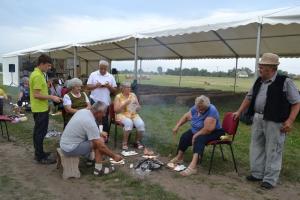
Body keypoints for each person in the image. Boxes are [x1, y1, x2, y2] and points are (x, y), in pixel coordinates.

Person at [233, 53, 300, 189]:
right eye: (260, 66)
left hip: (275, 121)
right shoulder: (259, 81)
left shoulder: (285, 82)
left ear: (271, 68)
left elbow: (296, 103)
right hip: (258, 118)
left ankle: (270, 179)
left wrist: (290, 120)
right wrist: (239, 111)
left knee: (273, 149)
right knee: (256, 146)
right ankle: (257, 173)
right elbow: (249, 97)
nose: (259, 69)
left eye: (261, 67)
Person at [60, 101, 123, 176]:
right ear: (99, 112)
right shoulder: (90, 122)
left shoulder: (83, 111)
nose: (104, 115)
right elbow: (101, 146)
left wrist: (99, 133)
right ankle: (98, 170)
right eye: (104, 113)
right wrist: (114, 156)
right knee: (99, 143)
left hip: (64, 143)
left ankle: (90, 160)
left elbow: (86, 129)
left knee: (97, 138)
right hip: (69, 149)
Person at [169, 95, 224, 176]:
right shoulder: (196, 107)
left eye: (202, 109)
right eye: (198, 108)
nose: (199, 110)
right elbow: (186, 117)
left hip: (214, 132)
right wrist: (177, 126)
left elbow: (208, 129)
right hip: (198, 130)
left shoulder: (212, 110)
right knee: (185, 136)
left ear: (207, 106)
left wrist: (195, 135)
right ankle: (179, 157)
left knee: (199, 139)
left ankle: (193, 167)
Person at [29, 54, 61, 164]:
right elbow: (36, 95)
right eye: (48, 66)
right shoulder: (37, 75)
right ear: (41, 64)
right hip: (39, 109)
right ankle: (40, 157)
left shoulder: (39, 74)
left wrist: (46, 87)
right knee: (40, 133)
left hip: (40, 107)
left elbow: (40, 92)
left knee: (39, 132)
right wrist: (52, 97)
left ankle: (40, 153)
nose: (49, 68)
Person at [87, 60, 117, 132]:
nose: (103, 70)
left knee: (104, 119)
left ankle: (103, 135)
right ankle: (93, 135)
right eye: (101, 68)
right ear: (99, 67)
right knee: (93, 118)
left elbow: (114, 90)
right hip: (94, 100)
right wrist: (96, 85)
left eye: (104, 69)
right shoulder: (93, 74)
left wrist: (109, 86)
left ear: (107, 68)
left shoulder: (110, 76)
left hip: (105, 101)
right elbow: (88, 87)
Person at [114, 82, 145, 150]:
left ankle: (137, 142)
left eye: (130, 87)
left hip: (133, 114)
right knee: (129, 123)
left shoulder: (133, 95)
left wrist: (138, 107)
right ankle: (124, 143)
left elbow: (138, 105)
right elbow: (116, 110)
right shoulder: (118, 97)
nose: (129, 89)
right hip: (121, 114)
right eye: (127, 87)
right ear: (122, 88)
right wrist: (124, 104)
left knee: (141, 125)